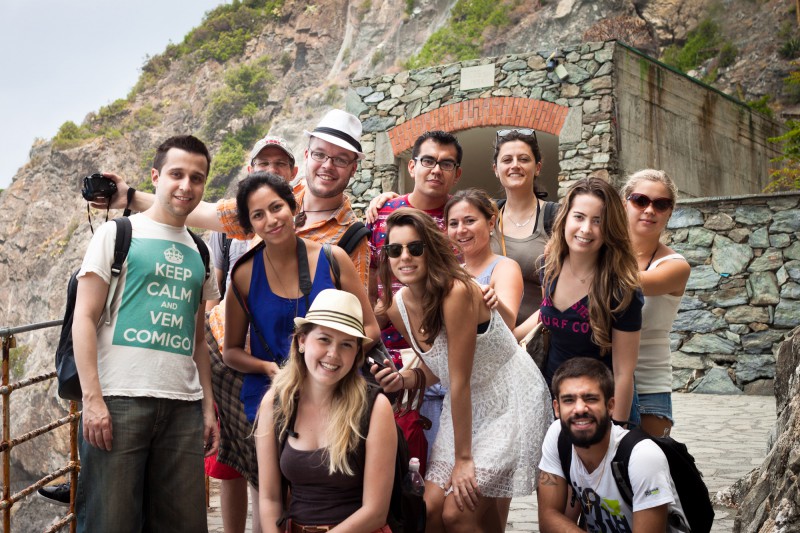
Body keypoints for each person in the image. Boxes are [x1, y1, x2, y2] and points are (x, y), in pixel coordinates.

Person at [72, 135, 220, 532]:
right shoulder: (118, 235)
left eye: (196, 177)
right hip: (120, 402)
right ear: (156, 176)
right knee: (111, 522)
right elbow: (83, 318)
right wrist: (93, 400)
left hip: (182, 407)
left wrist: (207, 408)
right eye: (176, 174)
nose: (186, 185)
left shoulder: (200, 251)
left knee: (183, 524)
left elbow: (199, 339)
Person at [372, 208, 552, 532]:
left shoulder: (457, 291)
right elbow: (435, 367)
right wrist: (404, 379)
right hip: (466, 405)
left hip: (508, 398)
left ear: (431, 249)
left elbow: (459, 380)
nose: (404, 257)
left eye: (415, 247)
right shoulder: (397, 306)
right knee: (429, 511)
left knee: (459, 512)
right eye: (394, 250)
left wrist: (464, 460)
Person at [223, 173, 380, 498]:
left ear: (293, 206)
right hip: (275, 397)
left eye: (276, 207)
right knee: (273, 499)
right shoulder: (244, 273)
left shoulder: (332, 259)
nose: (270, 219)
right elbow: (231, 351)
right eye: (258, 215)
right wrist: (269, 369)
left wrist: (334, 364)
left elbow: (370, 328)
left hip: (338, 392)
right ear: (250, 226)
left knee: (334, 494)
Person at [97, 109, 371, 288]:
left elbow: (352, 315)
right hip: (224, 338)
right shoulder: (271, 198)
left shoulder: (353, 238)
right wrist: (129, 197)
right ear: (308, 155)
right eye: (321, 154)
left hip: (283, 362)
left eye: (340, 159)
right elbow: (201, 211)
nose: (327, 165)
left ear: (353, 168)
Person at [204, 136, 298, 533]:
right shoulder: (231, 240)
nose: (271, 168)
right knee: (240, 465)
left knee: (274, 470)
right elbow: (218, 294)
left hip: (291, 366)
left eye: (280, 163)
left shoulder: (319, 244)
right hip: (238, 358)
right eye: (263, 162)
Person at [256, 289, 396, 532]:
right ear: (301, 341)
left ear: (356, 354)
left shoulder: (375, 407)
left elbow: (375, 512)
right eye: (324, 339)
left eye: (346, 344)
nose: (333, 354)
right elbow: (269, 500)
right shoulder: (276, 403)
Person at [537, 357, 689, 532]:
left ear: (610, 406)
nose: (579, 409)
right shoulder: (558, 435)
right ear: (557, 408)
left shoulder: (642, 456)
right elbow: (549, 517)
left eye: (591, 399)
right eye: (569, 400)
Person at [539, 177, 643, 425]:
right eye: (579, 217)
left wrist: (615, 432)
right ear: (565, 218)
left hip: (601, 411)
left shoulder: (621, 289)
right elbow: (544, 319)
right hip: (554, 405)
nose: (586, 229)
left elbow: (623, 372)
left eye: (598, 221)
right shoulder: (549, 267)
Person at [621, 170, 690, 438]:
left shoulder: (675, 266)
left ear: (669, 213)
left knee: (651, 470)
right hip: (599, 376)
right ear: (624, 203)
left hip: (649, 381)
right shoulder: (599, 254)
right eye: (640, 200)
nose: (650, 210)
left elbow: (626, 282)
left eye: (660, 204)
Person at [490, 128, 559, 332]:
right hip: (488, 338)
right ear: (496, 169)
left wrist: (515, 337)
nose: (515, 166)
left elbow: (563, 292)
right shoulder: (485, 216)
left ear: (537, 167)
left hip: (537, 337)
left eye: (523, 159)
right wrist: (391, 200)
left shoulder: (556, 218)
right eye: (507, 160)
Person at [444, 188, 523, 329]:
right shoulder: (452, 272)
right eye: (454, 224)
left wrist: (495, 302)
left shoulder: (505, 268)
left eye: (469, 221)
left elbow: (509, 324)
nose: (461, 230)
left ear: (491, 223)